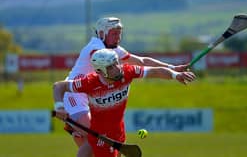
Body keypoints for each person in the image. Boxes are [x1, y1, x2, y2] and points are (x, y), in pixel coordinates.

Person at [62, 16, 189, 154]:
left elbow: (141, 61)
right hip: (75, 95)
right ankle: (79, 132)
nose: (118, 37)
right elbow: (100, 57)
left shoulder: (112, 49)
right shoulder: (97, 48)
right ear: (102, 34)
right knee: (96, 138)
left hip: (91, 97)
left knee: (93, 146)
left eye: (119, 32)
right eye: (114, 33)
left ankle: (78, 133)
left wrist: (172, 68)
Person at [54, 49, 196, 157]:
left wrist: (175, 75)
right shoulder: (90, 83)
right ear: (100, 71)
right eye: (110, 67)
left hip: (118, 133)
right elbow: (59, 86)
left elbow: (154, 72)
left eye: (116, 63)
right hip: (99, 135)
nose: (116, 68)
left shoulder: (127, 72)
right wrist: (59, 107)